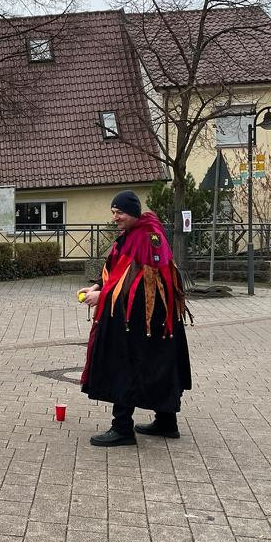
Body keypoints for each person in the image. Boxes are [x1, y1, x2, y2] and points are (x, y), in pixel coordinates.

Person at [79, 190, 192, 446]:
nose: (115, 217)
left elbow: (144, 284)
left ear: (132, 212)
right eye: (113, 212)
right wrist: (99, 286)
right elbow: (119, 271)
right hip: (152, 323)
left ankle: (122, 429)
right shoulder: (133, 235)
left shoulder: (147, 238)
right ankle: (166, 421)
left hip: (144, 320)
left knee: (125, 365)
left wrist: (103, 297)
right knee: (158, 365)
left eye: (120, 212)